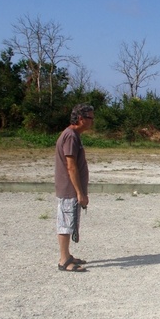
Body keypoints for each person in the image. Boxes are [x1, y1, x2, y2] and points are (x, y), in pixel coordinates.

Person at [55, 103, 94, 272]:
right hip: (69, 189)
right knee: (65, 222)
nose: (92, 121)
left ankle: (68, 254)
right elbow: (71, 166)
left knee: (69, 221)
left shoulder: (73, 135)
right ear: (80, 118)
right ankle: (64, 260)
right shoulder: (71, 136)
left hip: (71, 188)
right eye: (90, 118)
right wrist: (80, 192)